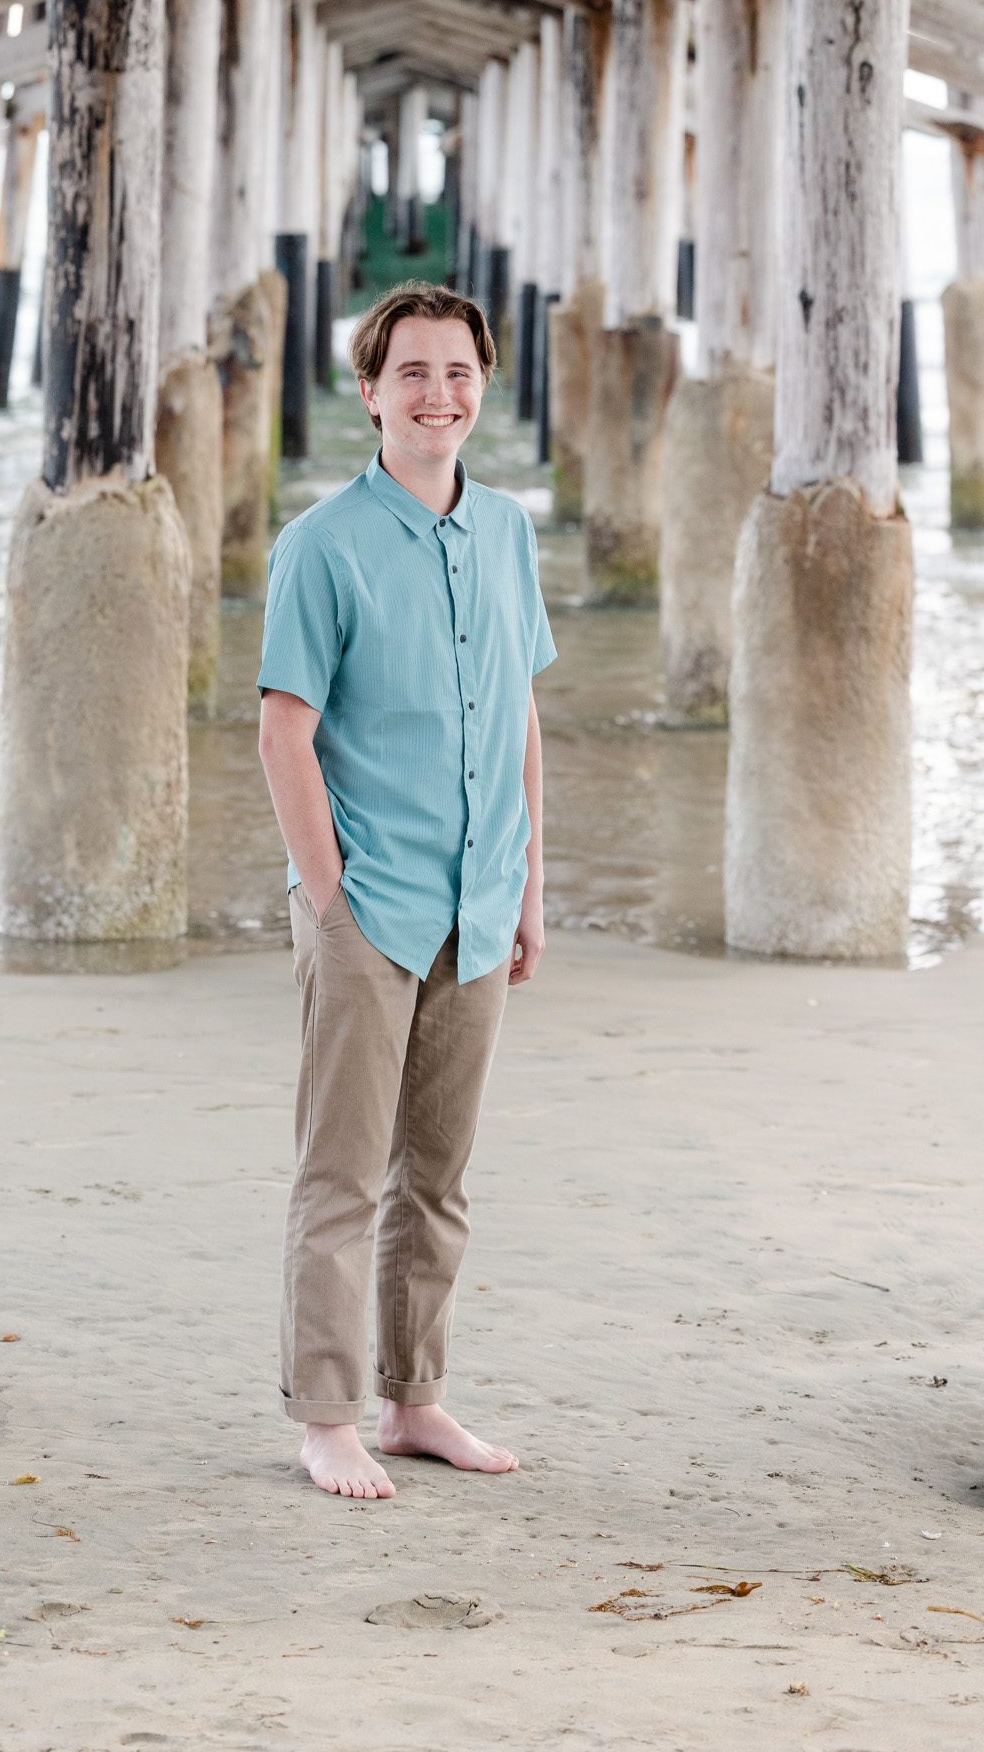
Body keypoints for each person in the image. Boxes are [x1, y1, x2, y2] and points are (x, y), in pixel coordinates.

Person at [256, 281, 557, 1500]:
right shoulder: (322, 545)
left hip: (480, 901)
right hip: (368, 906)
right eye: (413, 373)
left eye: (459, 372)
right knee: (341, 1175)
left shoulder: (510, 531)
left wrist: (532, 885)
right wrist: (329, 902)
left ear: (483, 387)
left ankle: (413, 1397)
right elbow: (284, 731)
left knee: (438, 1175)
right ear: (370, 391)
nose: (440, 394)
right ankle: (325, 1413)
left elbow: (525, 714)